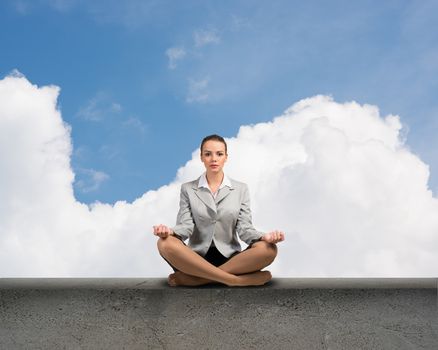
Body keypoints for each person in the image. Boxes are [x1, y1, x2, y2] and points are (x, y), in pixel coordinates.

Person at [153, 134, 285, 287]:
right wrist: (169, 232)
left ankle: (199, 280)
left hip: (231, 259)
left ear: (226, 157)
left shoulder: (240, 189)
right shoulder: (188, 189)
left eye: (219, 154)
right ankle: (234, 280)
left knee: (268, 249)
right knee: (164, 243)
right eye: (208, 154)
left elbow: (244, 229)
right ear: (201, 157)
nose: (213, 159)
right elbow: (185, 227)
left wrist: (264, 237)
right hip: (194, 259)